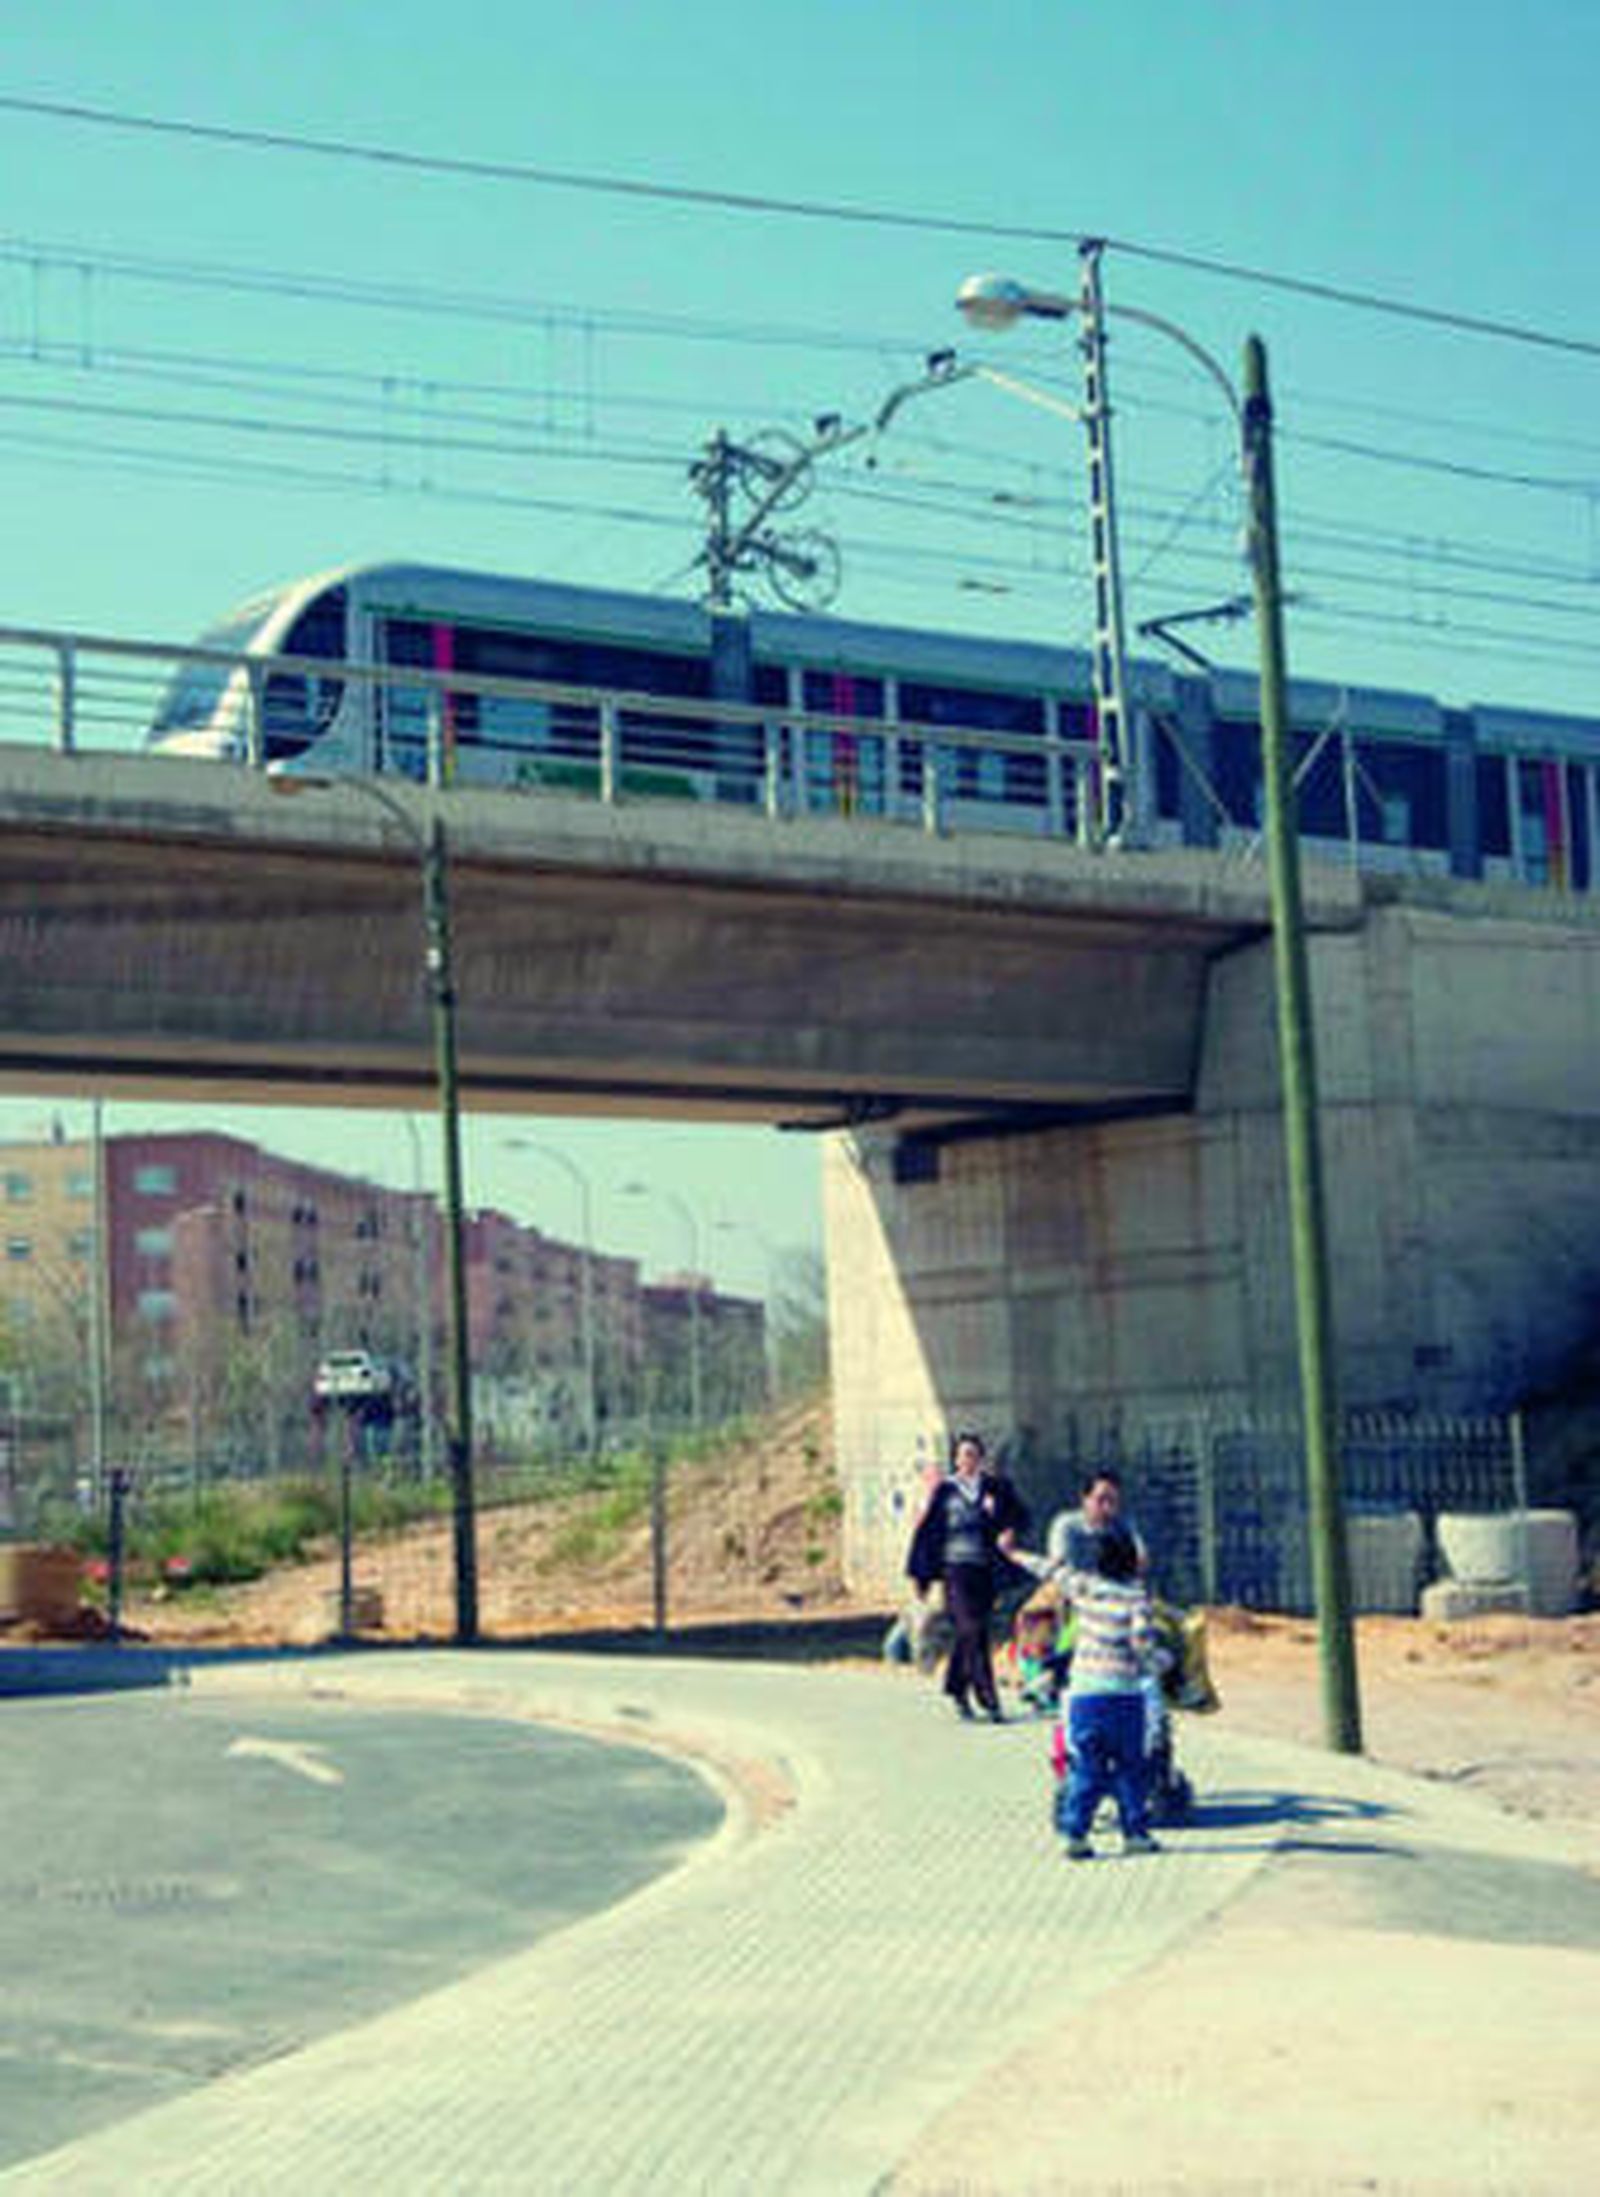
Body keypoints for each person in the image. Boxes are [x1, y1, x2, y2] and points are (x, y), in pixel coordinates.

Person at [905, 1430, 1029, 1723]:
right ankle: (989, 1700)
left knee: (973, 1632)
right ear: (956, 1460)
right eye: (963, 1455)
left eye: (973, 1454)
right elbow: (928, 1534)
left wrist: (1007, 1529)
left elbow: (1019, 1516)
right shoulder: (946, 1491)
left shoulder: (994, 1487)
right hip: (954, 1570)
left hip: (984, 1569)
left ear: (980, 1458)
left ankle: (957, 1688)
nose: (968, 1460)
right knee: (971, 1628)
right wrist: (920, 1577)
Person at [1055, 1523, 1160, 1859]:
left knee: (1087, 1766)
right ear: (1131, 1560)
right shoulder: (1136, 1597)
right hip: (1125, 1697)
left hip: (1085, 1695)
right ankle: (1135, 1834)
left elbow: (1050, 1569)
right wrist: (1161, 1661)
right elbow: (1141, 1643)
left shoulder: (1083, 1587)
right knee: (1131, 1767)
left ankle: (1076, 1834)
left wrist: (1012, 1553)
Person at [1045, 1466, 1148, 1576]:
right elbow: (1058, 1563)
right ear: (1085, 1498)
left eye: (1112, 1501)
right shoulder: (1066, 1525)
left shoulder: (1123, 1526)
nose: (1107, 1507)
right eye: (1101, 1500)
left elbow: (1141, 1561)